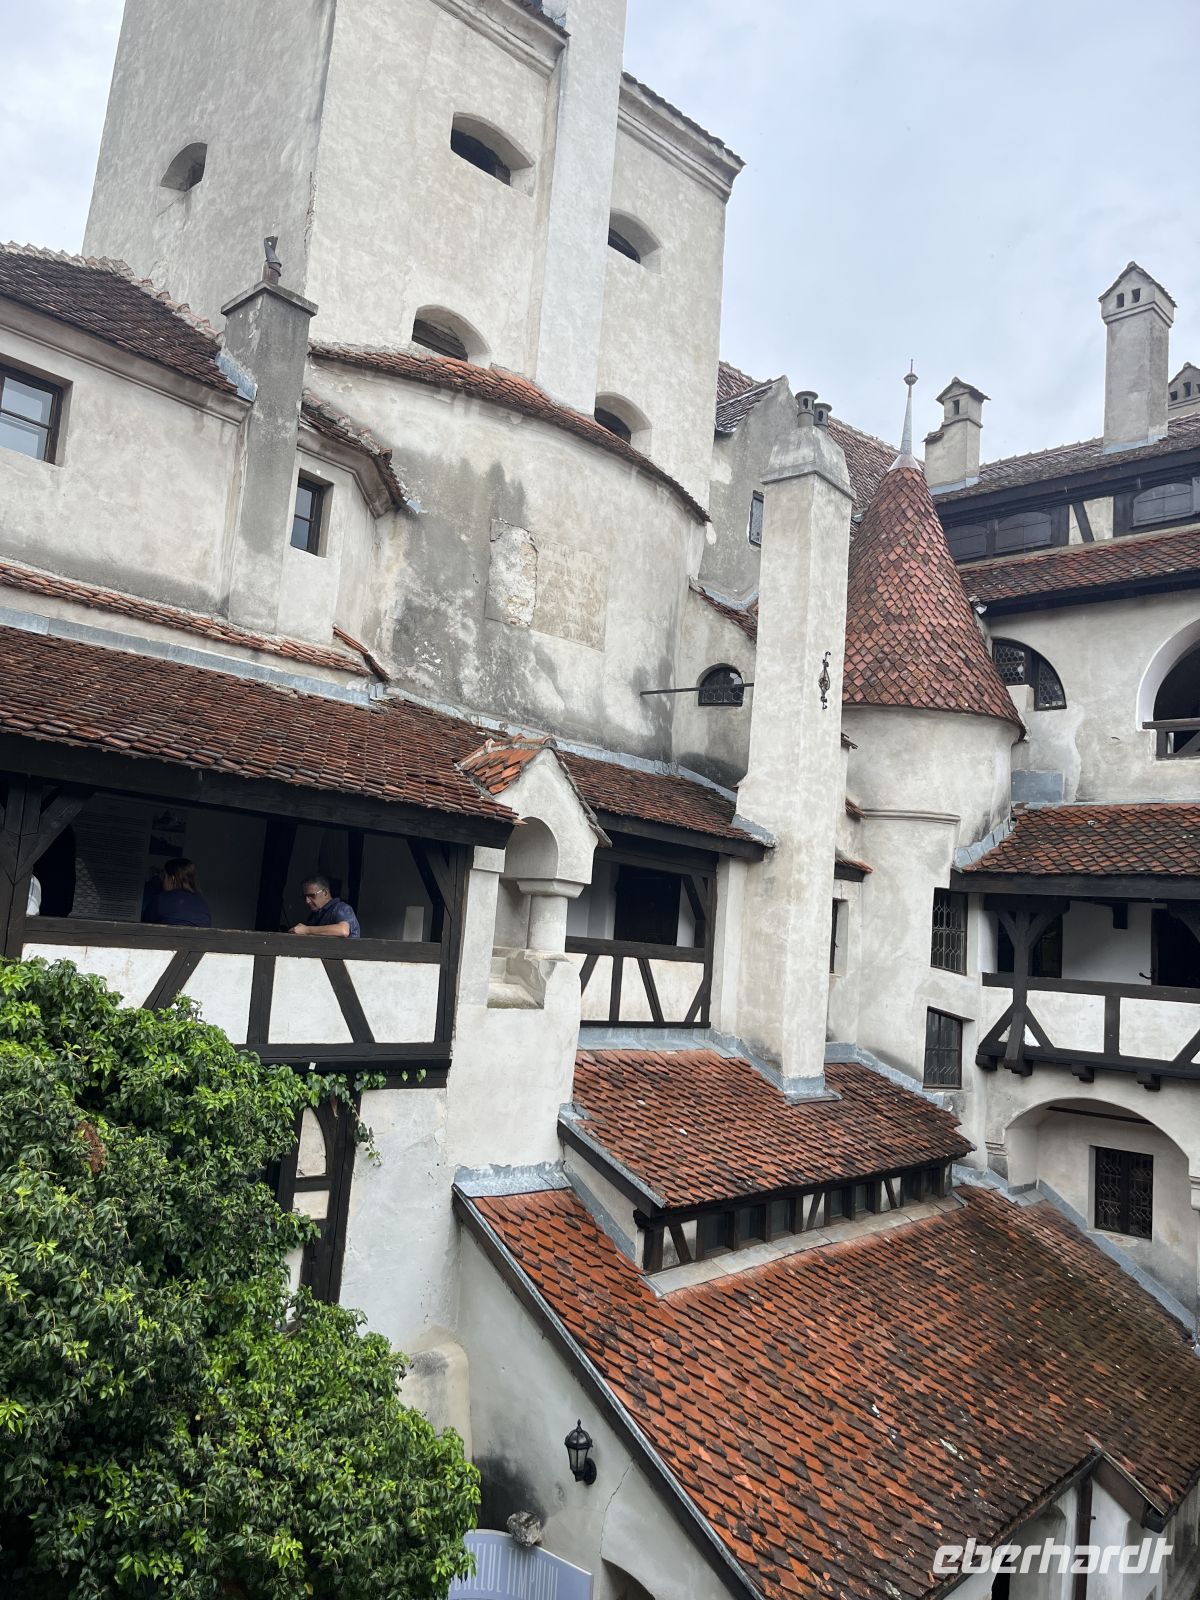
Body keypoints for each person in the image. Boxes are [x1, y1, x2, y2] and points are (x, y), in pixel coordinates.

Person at [142, 858, 212, 928]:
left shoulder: (161, 899)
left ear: (173, 879)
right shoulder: (203, 903)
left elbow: (144, 925)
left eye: (164, 877)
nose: (162, 881)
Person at [292, 875, 360, 938]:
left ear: (325, 893)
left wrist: (306, 930)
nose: (307, 901)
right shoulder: (314, 915)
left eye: (312, 896)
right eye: (305, 896)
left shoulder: (341, 908)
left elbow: (343, 930)